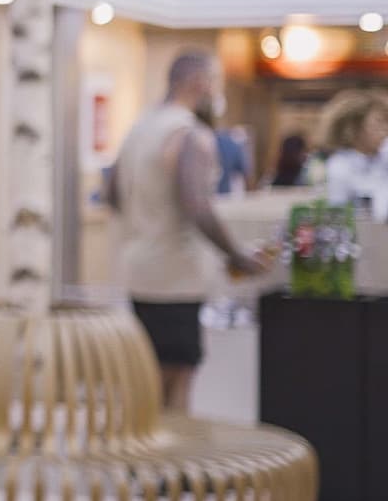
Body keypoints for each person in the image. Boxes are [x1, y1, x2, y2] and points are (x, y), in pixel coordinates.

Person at [106, 51, 268, 412]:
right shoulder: (188, 133)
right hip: (175, 273)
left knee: (149, 373)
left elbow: (112, 193)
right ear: (200, 82)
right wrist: (236, 254)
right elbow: (197, 205)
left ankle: (146, 459)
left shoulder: (140, 127)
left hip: (139, 269)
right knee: (176, 380)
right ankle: (170, 465)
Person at [319, 89, 388, 210]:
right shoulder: (339, 166)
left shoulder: (383, 158)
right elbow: (339, 212)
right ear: (353, 128)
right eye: (379, 123)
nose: (385, 129)